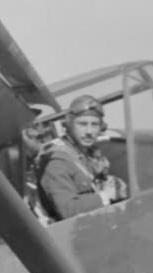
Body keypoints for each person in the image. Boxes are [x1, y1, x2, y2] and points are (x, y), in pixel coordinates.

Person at [34, 94, 130, 222]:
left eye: (94, 125)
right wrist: (106, 196)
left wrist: (117, 187)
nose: (89, 131)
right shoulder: (56, 161)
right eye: (82, 124)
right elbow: (68, 209)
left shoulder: (89, 154)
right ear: (69, 125)